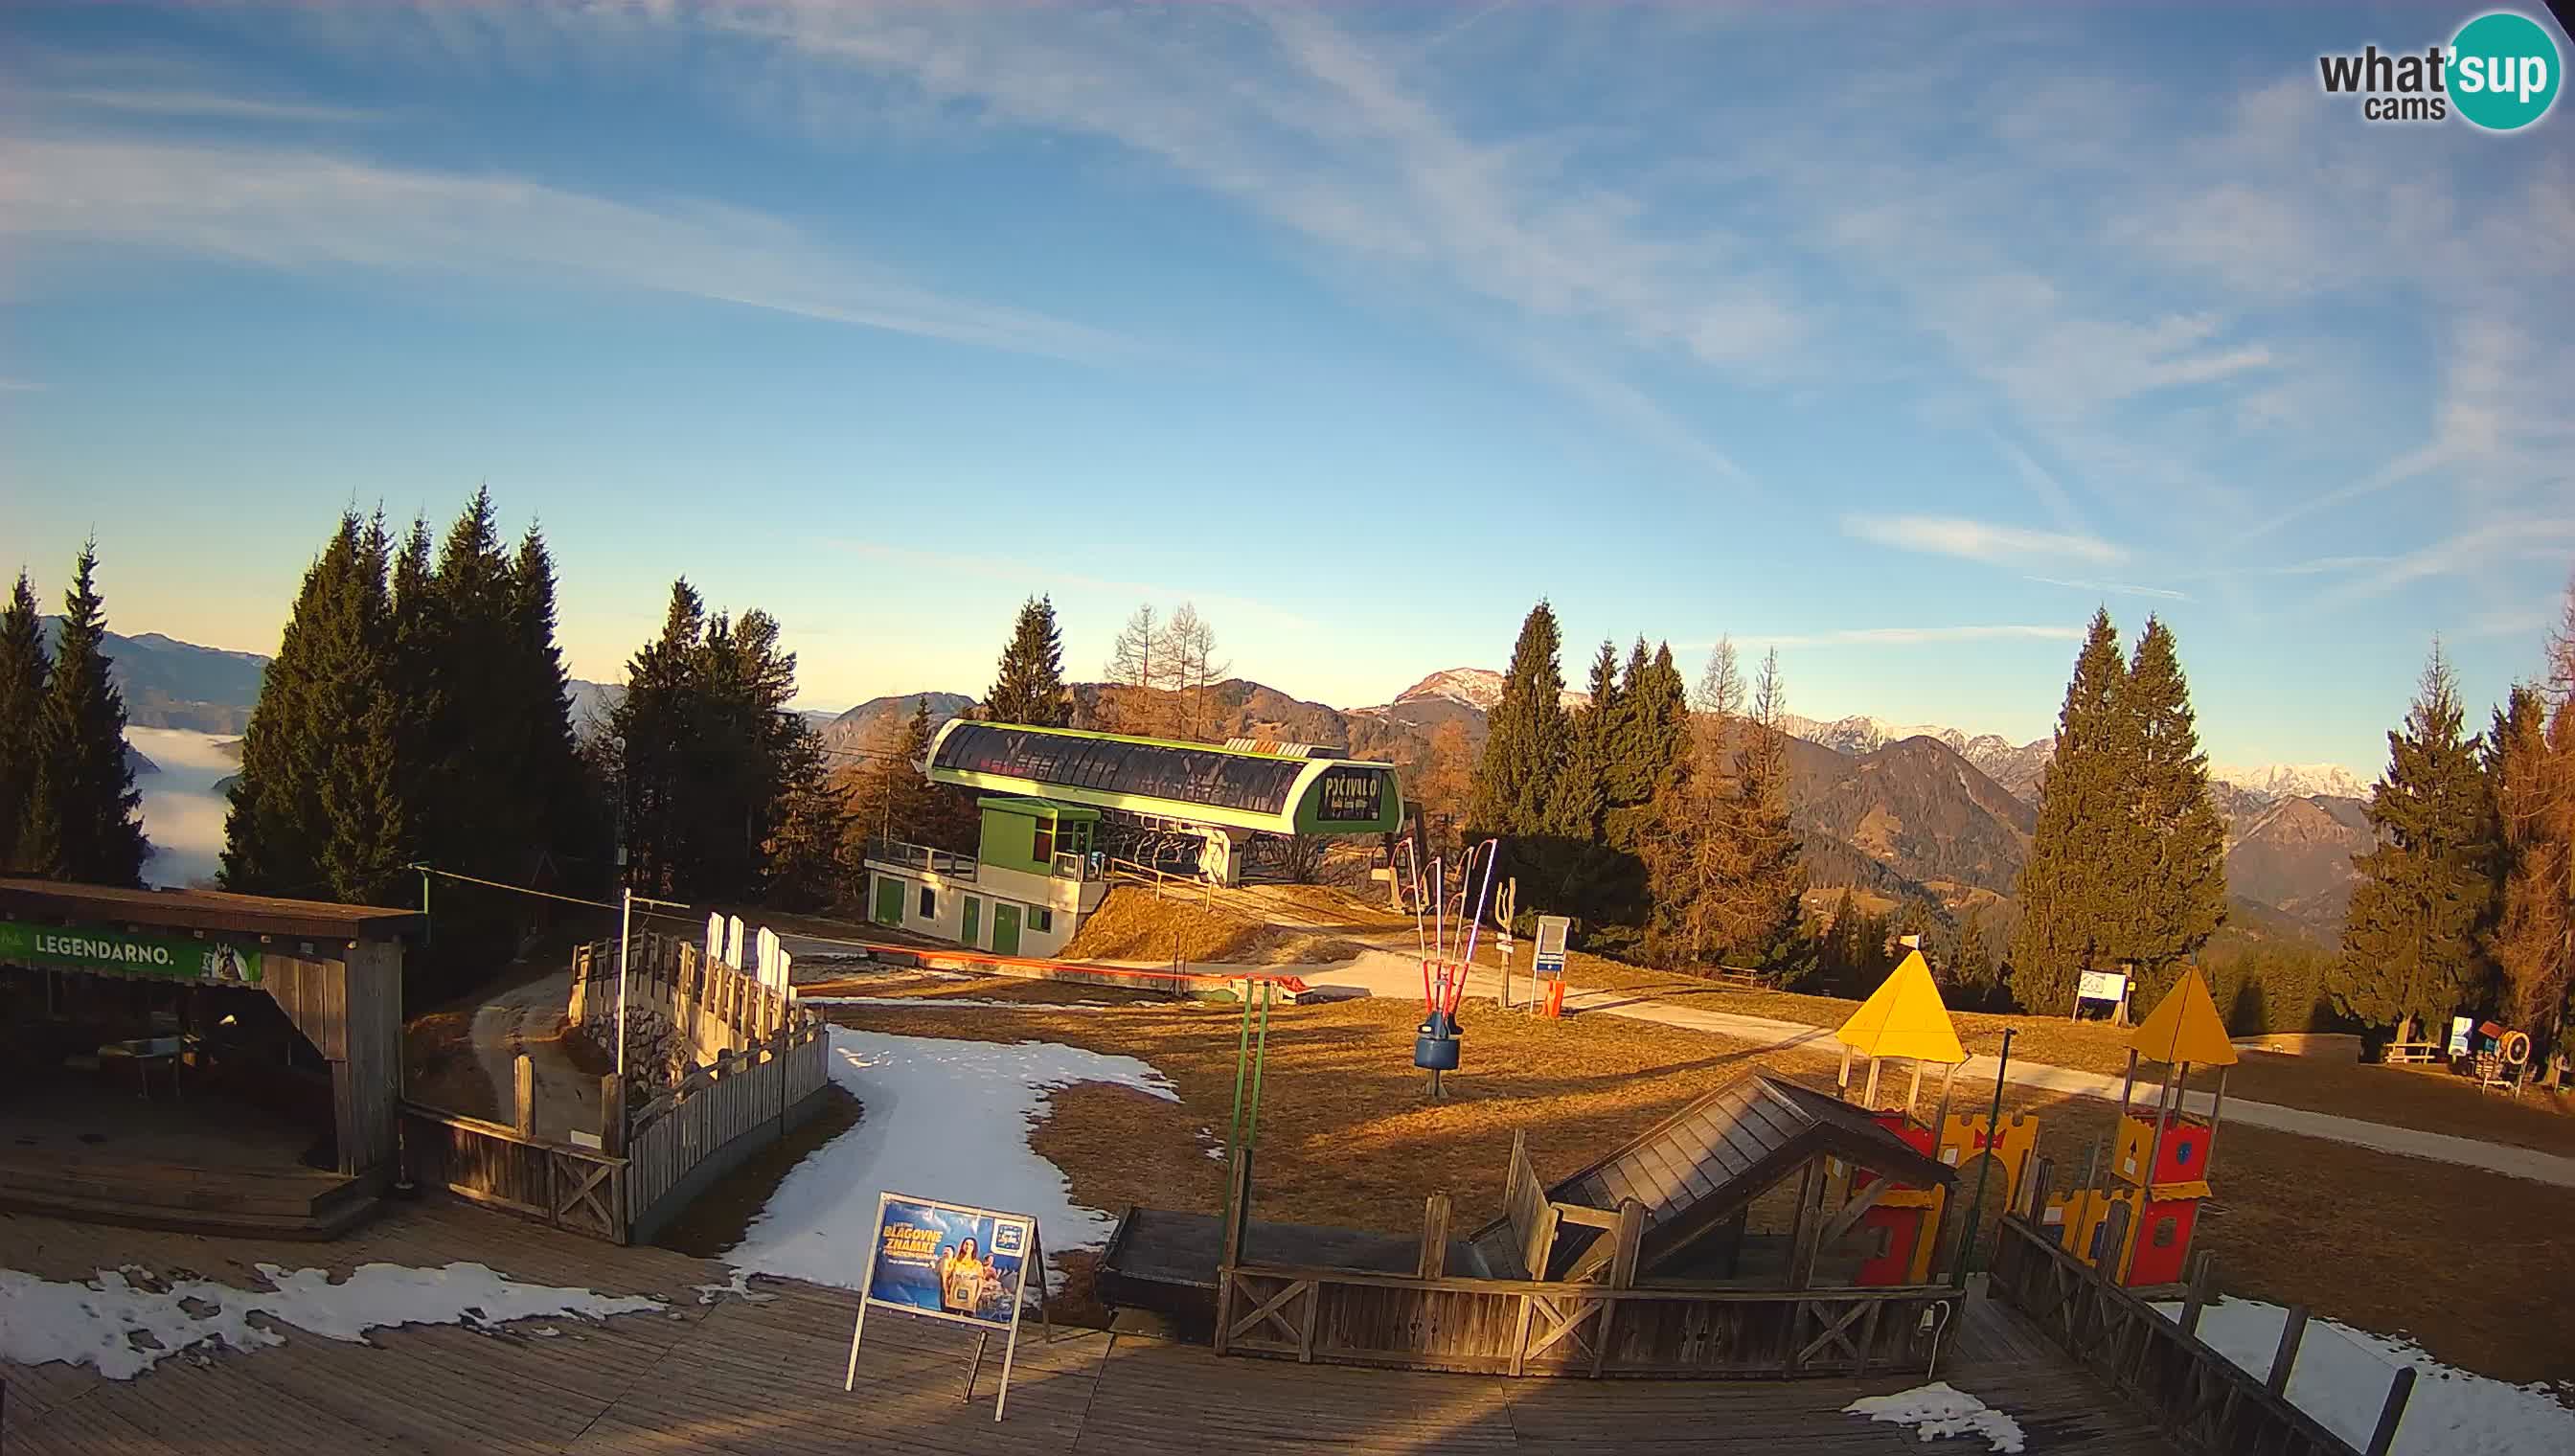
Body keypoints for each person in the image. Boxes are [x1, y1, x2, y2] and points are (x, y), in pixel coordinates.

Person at [939, 1238, 986, 1315]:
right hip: (953, 1302)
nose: (968, 1247)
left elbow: (980, 1285)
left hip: (968, 1304)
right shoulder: (955, 1261)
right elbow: (946, 1278)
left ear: (974, 1248)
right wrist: (947, 1294)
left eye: (971, 1245)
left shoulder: (977, 1265)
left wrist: (975, 1301)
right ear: (962, 1245)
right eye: (966, 1244)